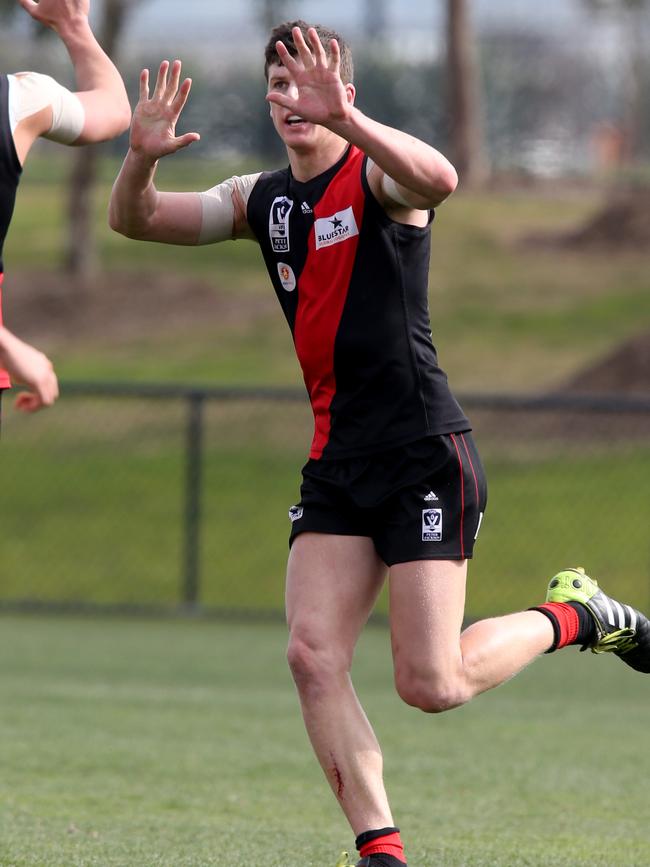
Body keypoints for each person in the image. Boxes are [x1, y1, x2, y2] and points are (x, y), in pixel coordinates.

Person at [108, 22, 650, 867]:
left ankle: (579, 614)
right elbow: (136, 221)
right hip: (337, 461)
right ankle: (380, 849)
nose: (293, 98)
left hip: (423, 450)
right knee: (309, 652)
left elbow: (442, 177)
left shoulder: (379, 180)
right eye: (279, 83)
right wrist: (140, 155)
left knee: (431, 685)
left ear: (344, 93)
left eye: (311, 81)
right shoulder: (261, 200)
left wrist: (352, 123)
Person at [0, 0, 131, 417]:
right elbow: (113, 108)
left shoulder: (20, 101)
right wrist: (73, 27)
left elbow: (113, 112)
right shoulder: (18, 101)